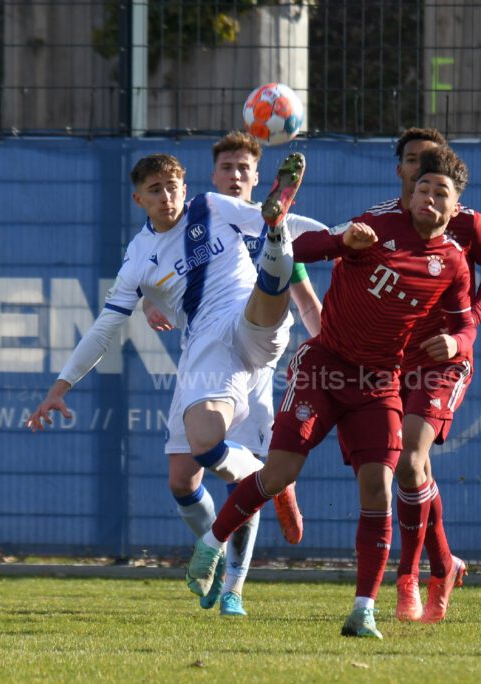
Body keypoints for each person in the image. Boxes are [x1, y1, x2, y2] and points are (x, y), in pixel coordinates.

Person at [186, 146, 478, 639]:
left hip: (379, 383)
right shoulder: (376, 225)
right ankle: (212, 544)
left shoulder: (452, 262)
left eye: (440, 192)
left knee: (378, 487)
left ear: (455, 209)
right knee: (279, 473)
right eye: (422, 188)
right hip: (325, 368)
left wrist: (457, 339)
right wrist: (343, 240)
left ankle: (363, 608)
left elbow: (465, 323)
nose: (427, 196)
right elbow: (299, 255)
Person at [26, 151, 320, 598]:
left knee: (273, 248)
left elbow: (286, 222)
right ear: (138, 199)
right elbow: (106, 326)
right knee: (187, 471)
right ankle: (264, 480)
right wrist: (60, 387)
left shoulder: (211, 207)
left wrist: (342, 237)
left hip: (249, 330)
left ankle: (234, 592)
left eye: (172, 186)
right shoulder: (139, 259)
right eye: (155, 190)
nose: (167, 197)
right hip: (206, 350)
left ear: (186, 186)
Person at [141, 132, 323, 617]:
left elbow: (306, 305)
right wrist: (145, 299)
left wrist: (331, 346)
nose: (236, 174)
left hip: (253, 367)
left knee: (237, 483)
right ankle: (215, 546)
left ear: (258, 178)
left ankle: (234, 590)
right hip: (202, 359)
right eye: (228, 168)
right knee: (182, 477)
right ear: (214, 176)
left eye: (245, 167)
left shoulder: (272, 233)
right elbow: (153, 271)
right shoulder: (196, 222)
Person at [350, 128, 481, 624]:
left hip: (446, 358)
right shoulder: (381, 222)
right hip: (397, 357)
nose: (425, 174)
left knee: (410, 460)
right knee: (414, 471)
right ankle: (444, 565)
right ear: (402, 171)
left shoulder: (466, 222)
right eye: (415, 163)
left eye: (434, 167)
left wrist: (467, 330)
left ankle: (408, 578)